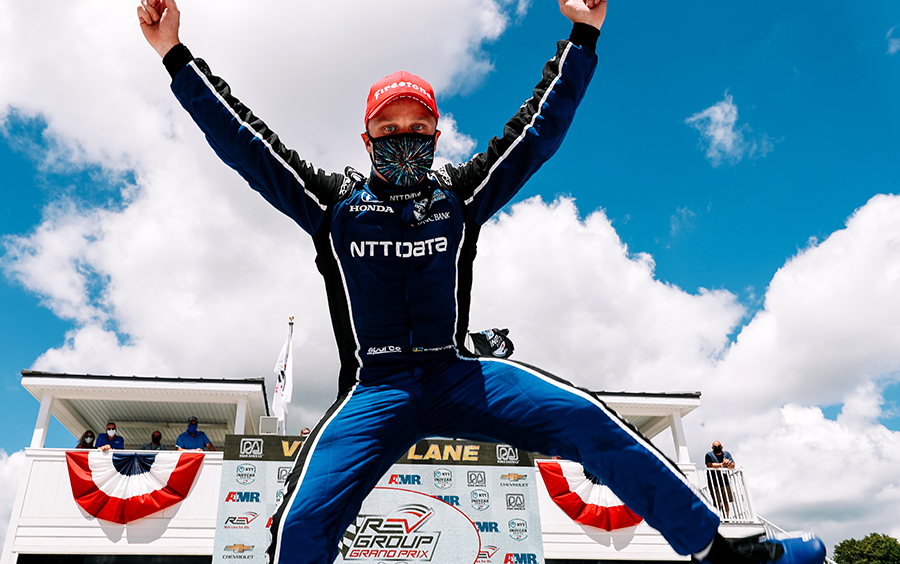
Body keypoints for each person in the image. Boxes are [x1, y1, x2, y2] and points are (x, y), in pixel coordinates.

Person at [136, 1, 824, 564]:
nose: (405, 135)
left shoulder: (458, 198)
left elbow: (537, 133)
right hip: (373, 392)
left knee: (587, 418)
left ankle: (718, 551)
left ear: (436, 132)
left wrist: (582, 35)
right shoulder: (332, 207)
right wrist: (174, 54)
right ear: (366, 136)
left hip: (458, 374)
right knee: (298, 529)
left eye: (418, 126)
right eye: (389, 127)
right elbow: (245, 144)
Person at [706, 440, 735, 517]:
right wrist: (722, 464)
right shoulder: (709, 455)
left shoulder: (727, 454)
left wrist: (728, 464)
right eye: (715, 447)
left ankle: (727, 518)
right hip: (714, 482)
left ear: (722, 447)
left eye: (719, 446)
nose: (717, 448)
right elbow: (709, 465)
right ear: (712, 448)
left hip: (725, 482)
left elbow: (733, 465)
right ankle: (717, 518)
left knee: (726, 502)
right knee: (717, 502)